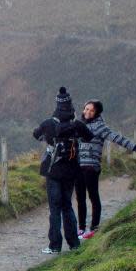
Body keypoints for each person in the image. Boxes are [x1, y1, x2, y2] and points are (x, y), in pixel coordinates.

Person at [75, 100, 136, 238]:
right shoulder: (78, 125)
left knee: (93, 196)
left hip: (91, 166)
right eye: (86, 109)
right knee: (80, 198)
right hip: (78, 167)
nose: (88, 112)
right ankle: (81, 228)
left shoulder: (100, 127)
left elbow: (117, 138)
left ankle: (94, 228)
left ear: (97, 113)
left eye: (91, 110)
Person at [33, 87, 95, 254]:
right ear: (70, 106)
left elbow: (36, 134)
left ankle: (54, 246)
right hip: (71, 171)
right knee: (67, 206)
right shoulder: (77, 125)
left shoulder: (48, 124)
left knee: (55, 208)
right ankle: (74, 244)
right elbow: (89, 137)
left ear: (57, 105)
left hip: (53, 171)